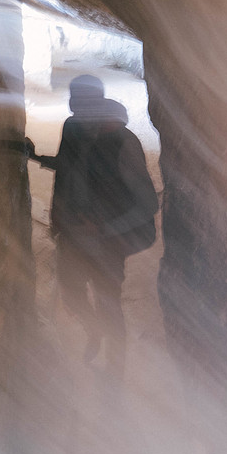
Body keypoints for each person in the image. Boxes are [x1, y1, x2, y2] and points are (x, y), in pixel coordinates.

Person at [26, 78, 158, 381]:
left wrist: (106, 229)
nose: (75, 106)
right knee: (72, 292)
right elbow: (71, 165)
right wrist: (37, 157)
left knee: (108, 302)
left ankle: (115, 370)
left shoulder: (123, 142)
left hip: (109, 241)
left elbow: (148, 203)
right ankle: (95, 329)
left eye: (82, 100)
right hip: (74, 232)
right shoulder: (73, 127)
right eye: (74, 99)